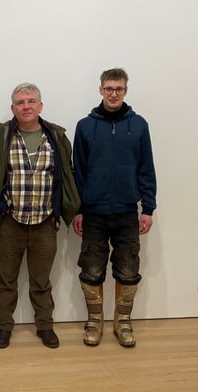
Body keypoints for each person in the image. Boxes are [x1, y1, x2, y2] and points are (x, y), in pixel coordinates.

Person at [0, 83, 80, 349]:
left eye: (30, 101)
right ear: (12, 108)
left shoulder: (56, 137)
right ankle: (4, 327)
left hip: (44, 223)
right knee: (6, 280)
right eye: (20, 102)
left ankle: (45, 326)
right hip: (10, 223)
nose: (25, 106)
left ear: (40, 105)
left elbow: (67, 175)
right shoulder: (1, 135)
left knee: (41, 281)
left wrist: (62, 213)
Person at [72, 68, 157, 347]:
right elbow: (78, 173)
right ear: (100, 90)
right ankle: (95, 321)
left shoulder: (139, 125)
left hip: (126, 212)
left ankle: (123, 322)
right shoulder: (85, 126)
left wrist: (148, 208)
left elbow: (146, 169)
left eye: (118, 89)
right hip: (94, 212)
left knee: (128, 270)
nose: (113, 93)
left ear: (126, 91)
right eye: (108, 88)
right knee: (92, 270)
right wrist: (78, 209)